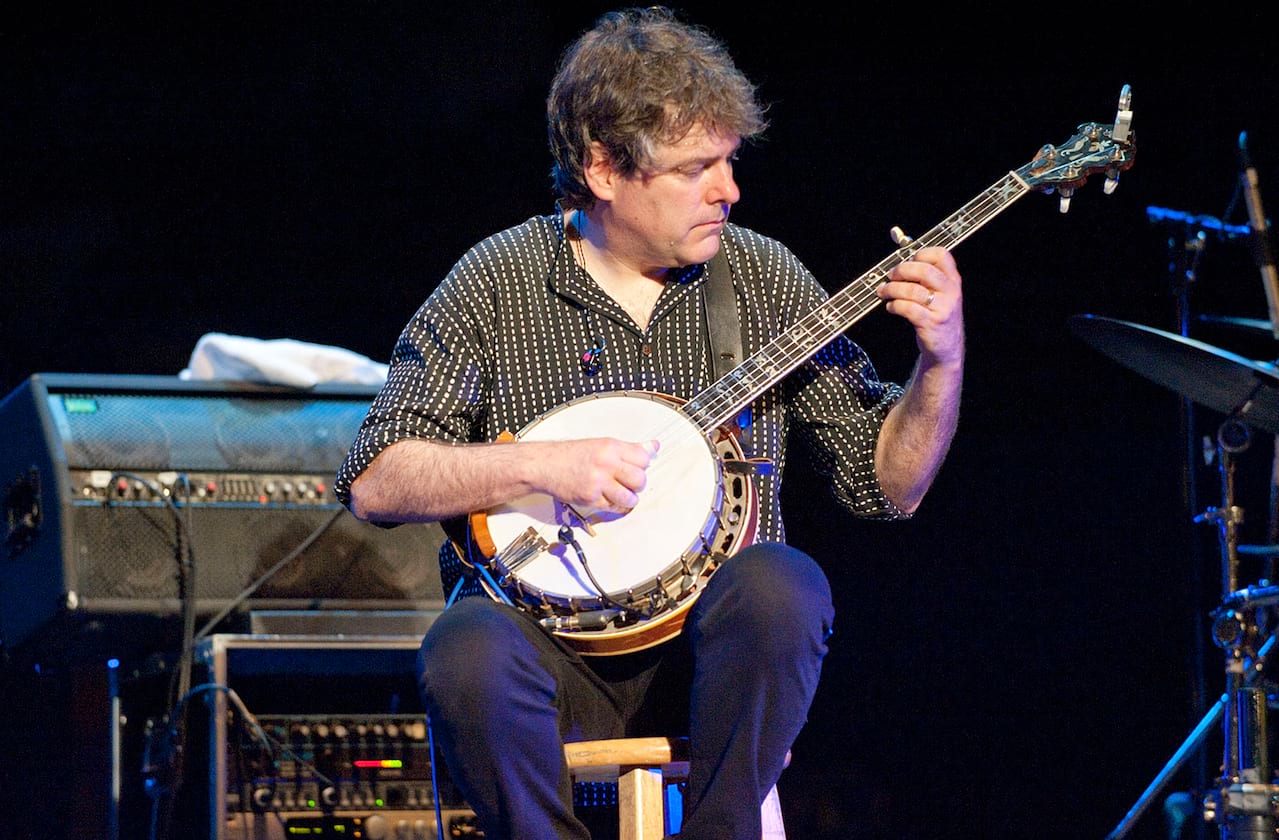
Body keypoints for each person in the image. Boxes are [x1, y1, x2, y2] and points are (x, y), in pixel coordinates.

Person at [335, 7, 963, 838]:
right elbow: (376, 479)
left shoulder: (762, 278)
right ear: (602, 168)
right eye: (696, 167)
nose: (728, 189)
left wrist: (941, 359)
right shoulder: (498, 279)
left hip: (708, 665)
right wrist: (540, 467)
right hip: (547, 659)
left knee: (783, 584)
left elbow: (889, 486)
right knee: (465, 649)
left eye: (730, 161)